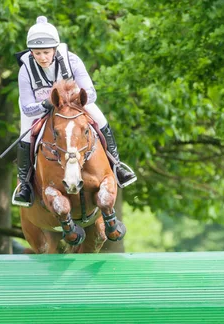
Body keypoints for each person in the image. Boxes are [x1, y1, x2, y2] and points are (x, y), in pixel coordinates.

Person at [13, 16, 136, 206]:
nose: (42, 58)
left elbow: (91, 94)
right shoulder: (25, 70)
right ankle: (25, 184)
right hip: (39, 107)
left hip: (74, 105)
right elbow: (28, 108)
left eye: (46, 52)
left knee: (100, 120)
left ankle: (117, 166)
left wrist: (71, 100)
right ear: (31, 52)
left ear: (54, 49)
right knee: (24, 136)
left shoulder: (72, 60)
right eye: (37, 53)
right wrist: (46, 104)